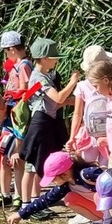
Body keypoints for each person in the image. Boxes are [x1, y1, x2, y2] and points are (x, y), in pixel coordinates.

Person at [19, 38, 80, 205]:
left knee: (39, 163)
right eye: (54, 57)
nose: (57, 61)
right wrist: (73, 82)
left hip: (45, 122)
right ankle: (27, 202)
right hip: (40, 124)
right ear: (44, 58)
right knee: (32, 165)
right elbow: (58, 97)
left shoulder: (43, 76)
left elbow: (55, 103)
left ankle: (34, 199)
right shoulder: (39, 78)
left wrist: (71, 101)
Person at [0, 30, 32, 207]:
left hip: (18, 118)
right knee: (5, 156)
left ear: (12, 49)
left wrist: (11, 97)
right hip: (11, 117)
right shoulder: (16, 66)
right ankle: (5, 194)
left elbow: (26, 91)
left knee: (16, 159)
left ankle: (18, 195)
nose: (6, 55)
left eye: (6, 51)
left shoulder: (23, 66)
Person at [7, 152, 101, 224]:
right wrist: (20, 214)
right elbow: (44, 200)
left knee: (99, 196)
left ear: (65, 174)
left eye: (53, 179)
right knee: (69, 199)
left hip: (108, 207)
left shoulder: (88, 174)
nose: (52, 182)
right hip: (101, 209)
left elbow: (110, 185)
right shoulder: (67, 185)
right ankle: (99, 222)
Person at [67, 45, 112, 166]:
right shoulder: (109, 83)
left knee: (87, 167)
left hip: (88, 133)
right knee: (106, 167)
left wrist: (72, 137)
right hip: (109, 132)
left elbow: (77, 114)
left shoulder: (82, 86)